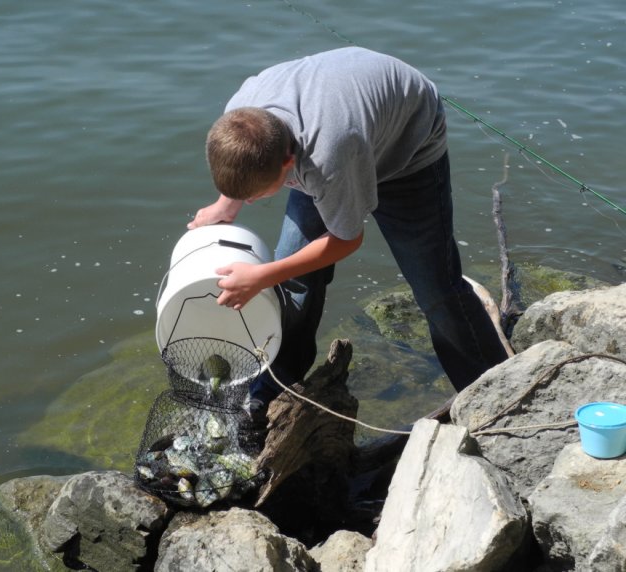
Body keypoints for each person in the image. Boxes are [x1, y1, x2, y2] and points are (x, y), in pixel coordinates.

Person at [187, 47, 509, 419]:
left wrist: (261, 276)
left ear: (288, 163)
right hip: (342, 128)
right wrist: (227, 202)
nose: (254, 202)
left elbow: (347, 239)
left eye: (258, 194)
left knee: (438, 291)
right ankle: (277, 385)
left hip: (408, 146)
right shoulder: (241, 113)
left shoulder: (329, 155)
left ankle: (496, 394)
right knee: (296, 280)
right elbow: (246, 161)